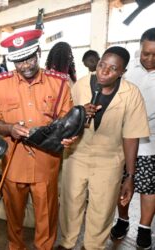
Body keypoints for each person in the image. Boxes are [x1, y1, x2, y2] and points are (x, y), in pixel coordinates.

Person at [0, 29, 75, 250]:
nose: (25, 65)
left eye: (29, 58)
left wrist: (67, 137)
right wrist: (9, 128)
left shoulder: (60, 83)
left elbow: (68, 122)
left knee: (46, 216)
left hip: (46, 162)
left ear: (38, 51)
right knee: (13, 216)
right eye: (18, 61)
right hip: (13, 162)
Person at [57, 46, 150, 250]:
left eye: (113, 68)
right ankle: (66, 243)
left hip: (110, 160)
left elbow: (131, 136)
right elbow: (63, 120)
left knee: (102, 208)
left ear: (122, 72)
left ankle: (93, 246)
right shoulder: (81, 85)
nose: (104, 72)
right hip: (76, 154)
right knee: (70, 204)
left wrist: (130, 176)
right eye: (102, 65)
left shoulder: (131, 93)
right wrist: (79, 114)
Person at [110, 28, 155, 250]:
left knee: (149, 188)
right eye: (146, 53)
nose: (150, 59)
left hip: (151, 144)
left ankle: (145, 228)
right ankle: (123, 219)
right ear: (140, 47)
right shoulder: (127, 71)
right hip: (124, 140)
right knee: (122, 184)